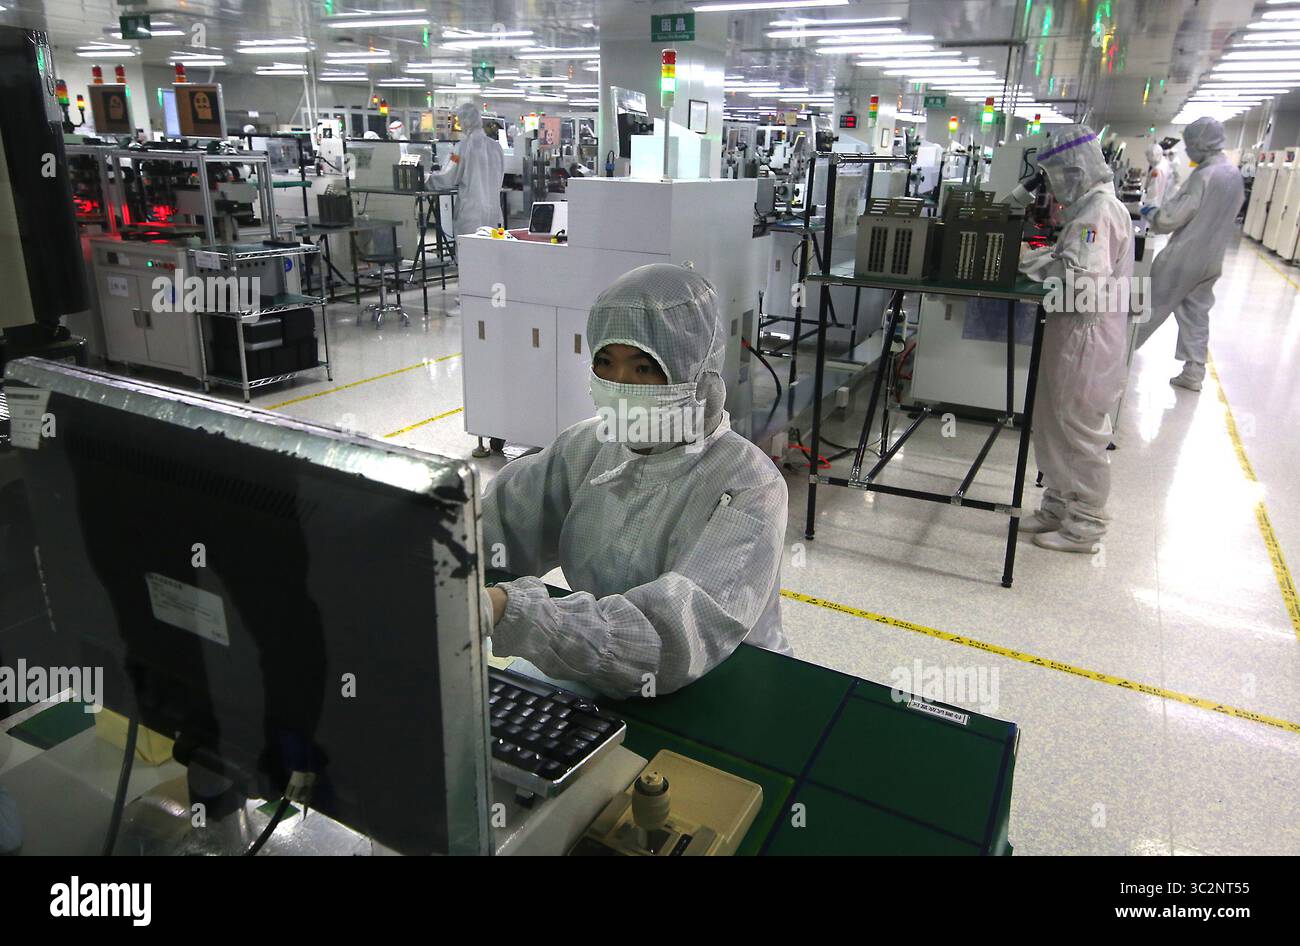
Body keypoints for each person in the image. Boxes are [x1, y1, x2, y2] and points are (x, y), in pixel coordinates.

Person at [479, 263, 790, 698]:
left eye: (643, 369)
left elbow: (669, 639)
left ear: (695, 374)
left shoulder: (748, 485)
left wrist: (514, 612)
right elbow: (496, 527)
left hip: (724, 684)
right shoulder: (585, 447)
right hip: (597, 669)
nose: (619, 385)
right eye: (605, 363)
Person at [1017, 124, 1133, 553]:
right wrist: (1040, 258)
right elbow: (1073, 263)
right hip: (1072, 332)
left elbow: (1079, 280)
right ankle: (1057, 505)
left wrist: (1030, 264)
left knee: (1079, 430)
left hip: (1086, 336)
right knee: (1052, 422)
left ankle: (1084, 525)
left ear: (1077, 167)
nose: (1053, 182)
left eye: (1059, 172)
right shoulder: (1090, 207)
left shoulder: (1098, 212)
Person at [1134, 117, 1245, 392]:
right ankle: (1194, 372)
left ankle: (1114, 359)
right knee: (1196, 315)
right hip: (1212, 259)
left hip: (1184, 258)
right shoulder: (1233, 174)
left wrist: (1150, 213)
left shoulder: (1204, 175)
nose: (1187, 151)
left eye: (1190, 145)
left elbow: (1172, 218)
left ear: (1200, 143)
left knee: (1148, 310)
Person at [429, 102, 505, 237]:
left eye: (459, 120)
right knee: (491, 254)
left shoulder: (460, 149)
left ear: (465, 121)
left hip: (470, 214)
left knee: (468, 253)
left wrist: (426, 179)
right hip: (494, 214)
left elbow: (447, 177)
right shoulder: (496, 148)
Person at [1144, 142, 1172, 209]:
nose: (1147, 159)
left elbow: (1152, 192)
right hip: (1163, 202)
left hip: (1154, 205)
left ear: (1153, 155)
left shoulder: (1157, 170)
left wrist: (1145, 207)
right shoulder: (1165, 163)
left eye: (1148, 156)